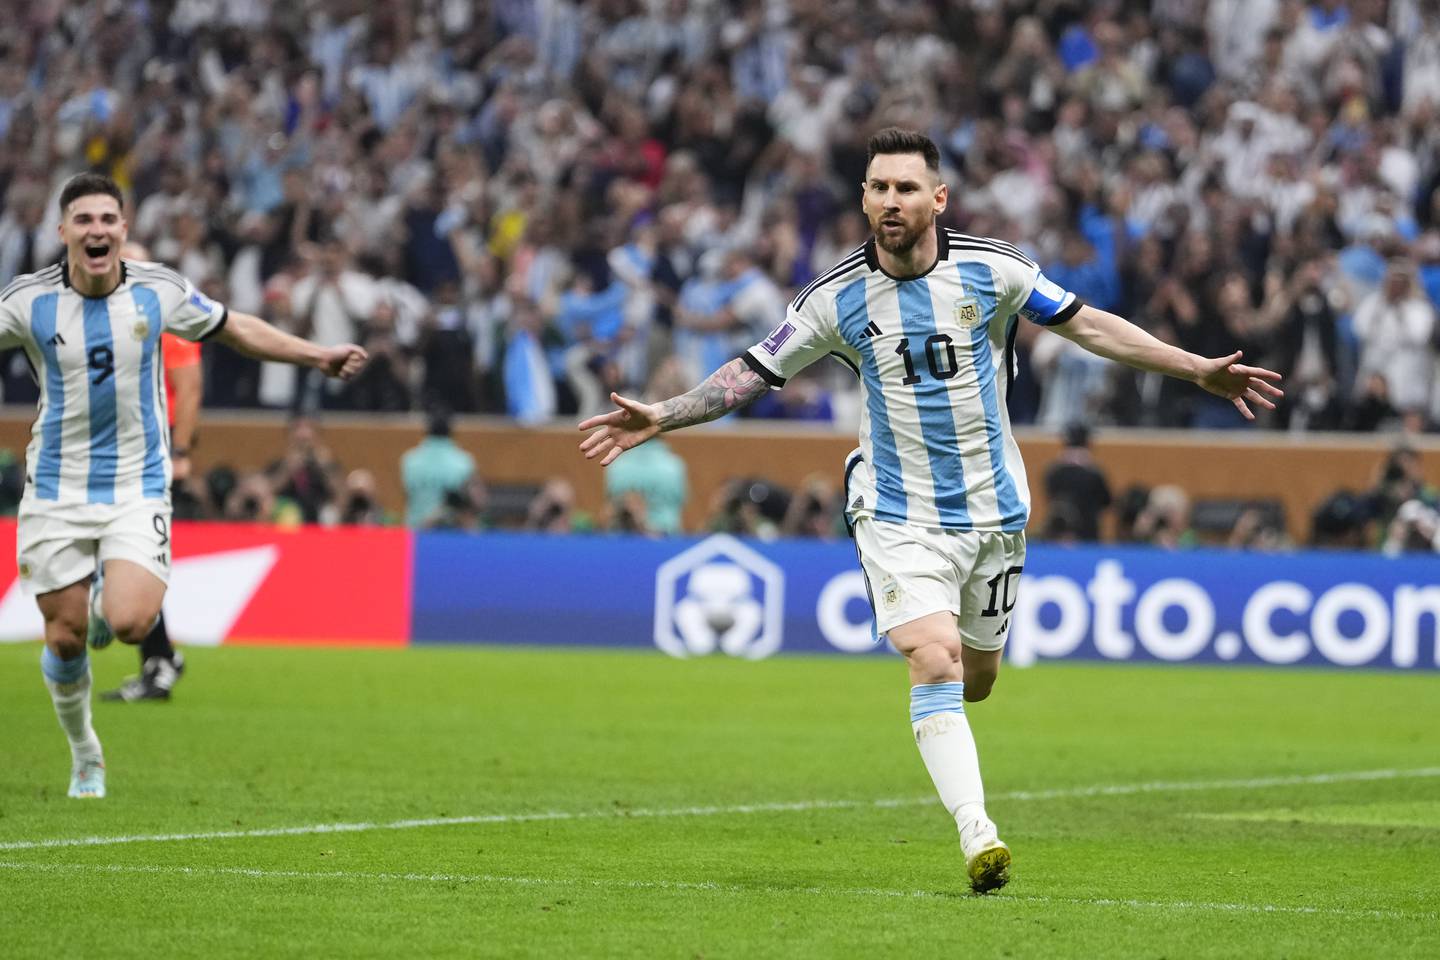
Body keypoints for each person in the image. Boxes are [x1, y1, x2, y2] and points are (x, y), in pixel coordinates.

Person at [579, 129, 1282, 893]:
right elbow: (750, 371)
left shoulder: (994, 270)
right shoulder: (833, 300)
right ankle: (977, 831)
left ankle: (960, 747)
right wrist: (665, 414)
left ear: (938, 199)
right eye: (878, 188)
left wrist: (1194, 368)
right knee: (933, 655)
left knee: (976, 679)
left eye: (906, 188)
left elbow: (1088, 323)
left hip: (993, 513)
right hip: (894, 510)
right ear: (863, 199)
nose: (891, 201)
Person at [2, 173, 367, 798]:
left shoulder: (158, 291)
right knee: (63, 638)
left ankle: (105, 602)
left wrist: (316, 355)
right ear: (62, 231)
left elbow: (236, 327)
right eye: (84, 220)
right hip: (56, 488)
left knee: (132, 621)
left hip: (136, 483)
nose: (97, 230)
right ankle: (85, 750)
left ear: (124, 229)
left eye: (108, 219)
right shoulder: (27, 301)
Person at [100, 240, 200, 702]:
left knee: (136, 556)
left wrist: (181, 450)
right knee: (126, 555)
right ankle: (160, 657)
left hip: (156, 454)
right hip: (120, 454)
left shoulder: (165, 319)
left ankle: (159, 659)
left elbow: (189, 387)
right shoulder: (110, 323)